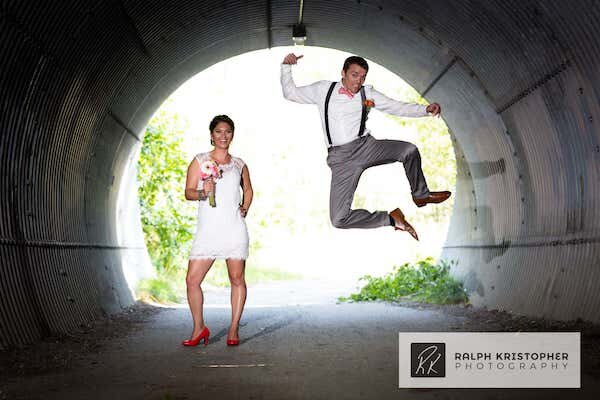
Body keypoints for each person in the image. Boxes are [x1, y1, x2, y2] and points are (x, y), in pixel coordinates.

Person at [280, 53, 451, 241]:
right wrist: (286, 67)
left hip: (366, 146)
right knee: (338, 219)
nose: (358, 81)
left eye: (363, 77)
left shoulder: (367, 92)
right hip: (341, 159)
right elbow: (291, 93)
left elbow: (395, 107)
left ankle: (420, 195)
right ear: (343, 73)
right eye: (354, 75)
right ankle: (391, 219)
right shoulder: (323, 89)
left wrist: (424, 110)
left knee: (408, 150)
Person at [182, 115, 253, 347]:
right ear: (211, 135)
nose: (224, 136)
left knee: (237, 278)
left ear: (233, 134)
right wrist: (204, 192)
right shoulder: (200, 160)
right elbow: (188, 192)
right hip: (208, 230)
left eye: (228, 131)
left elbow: (249, 190)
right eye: (219, 132)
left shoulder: (239, 164)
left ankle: (233, 329)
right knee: (192, 280)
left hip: (233, 228)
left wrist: (244, 208)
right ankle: (199, 328)